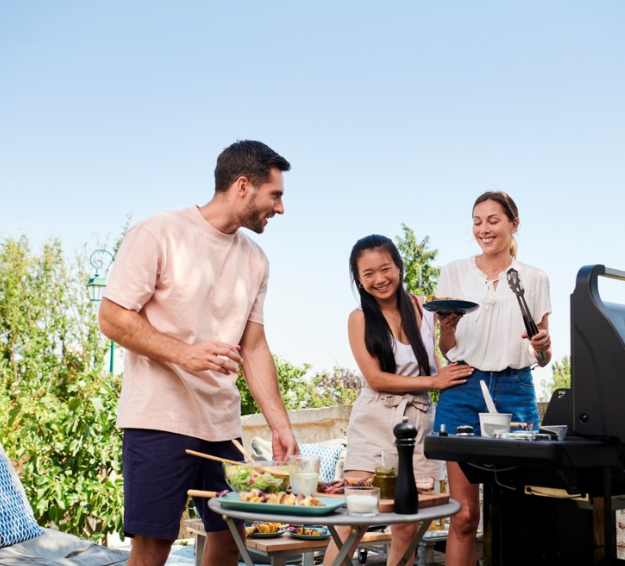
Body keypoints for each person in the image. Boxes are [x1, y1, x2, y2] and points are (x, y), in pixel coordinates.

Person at [98, 140, 299, 566]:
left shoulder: (257, 260)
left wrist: (279, 424)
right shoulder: (158, 233)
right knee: (153, 549)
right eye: (275, 195)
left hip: (223, 426)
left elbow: (255, 345)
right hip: (159, 420)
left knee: (229, 543)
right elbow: (113, 317)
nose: (280, 208)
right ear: (243, 186)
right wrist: (185, 354)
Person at [322, 235, 474, 566]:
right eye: (368, 274)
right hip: (373, 417)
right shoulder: (359, 318)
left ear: (399, 266)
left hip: (418, 418)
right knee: (351, 522)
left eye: (385, 268)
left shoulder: (425, 307)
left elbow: (447, 351)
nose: (379, 279)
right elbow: (375, 378)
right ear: (359, 280)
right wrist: (434, 381)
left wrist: (448, 328)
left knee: (407, 525)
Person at [433, 191, 552, 565]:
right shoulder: (453, 272)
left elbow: (543, 356)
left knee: (518, 514)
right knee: (464, 517)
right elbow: (447, 347)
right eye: (477, 221)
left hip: (515, 391)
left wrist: (544, 346)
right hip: (463, 389)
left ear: (514, 225)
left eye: (492, 220)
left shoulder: (534, 278)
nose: (483, 229)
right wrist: (448, 329)